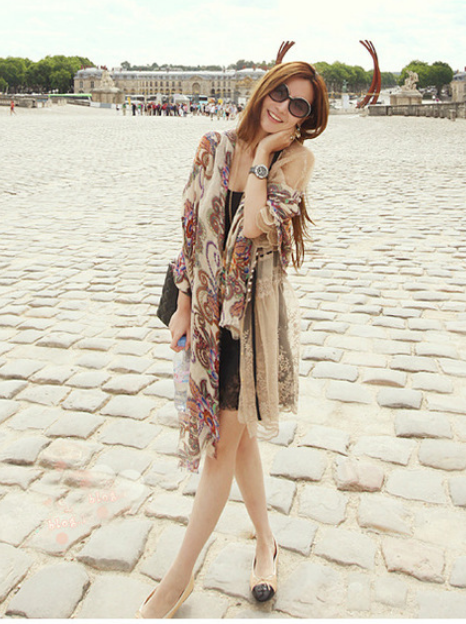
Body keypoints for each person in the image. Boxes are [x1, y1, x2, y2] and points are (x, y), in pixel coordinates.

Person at [137, 43, 329, 618]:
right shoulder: (212, 145)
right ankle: (267, 543)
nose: (283, 107)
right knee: (237, 442)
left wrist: (265, 154)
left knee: (222, 446)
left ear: (306, 120)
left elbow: (255, 224)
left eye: (298, 106)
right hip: (202, 309)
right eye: (280, 93)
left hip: (248, 319)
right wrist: (182, 304)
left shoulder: (294, 161)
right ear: (264, 88)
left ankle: (177, 580)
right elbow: (191, 228)